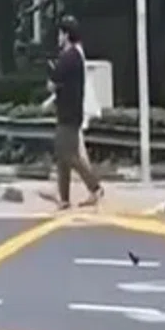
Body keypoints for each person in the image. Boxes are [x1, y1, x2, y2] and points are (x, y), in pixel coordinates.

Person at [39, 17, 104, 211]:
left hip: (69, 113)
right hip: (70, 110)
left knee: (68, 155)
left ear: (66, 35)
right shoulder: (76, 55)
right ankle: (64, 198)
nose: (58, 37)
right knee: (62, 156)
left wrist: (53, 85)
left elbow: (52, 84)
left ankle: (95, 187)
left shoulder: (68, 57)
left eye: (60, 33)